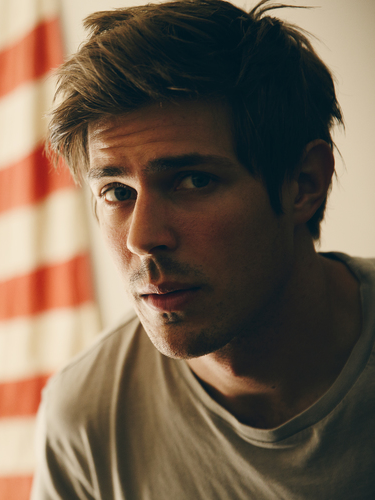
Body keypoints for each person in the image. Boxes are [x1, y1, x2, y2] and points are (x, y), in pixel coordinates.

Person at [31, 0, 375, 498]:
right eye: (117, 192)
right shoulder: (88, 417)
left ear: (304, 184)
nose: (141, 238)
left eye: (193, 181)